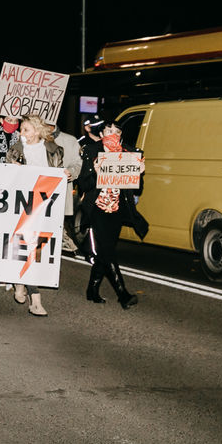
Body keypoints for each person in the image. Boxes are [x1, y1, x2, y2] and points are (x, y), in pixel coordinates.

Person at [4, 113, 68, 317]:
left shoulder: (54, 151)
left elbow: (58, 174)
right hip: (22, 206)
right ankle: (36, 300)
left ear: (37, 130)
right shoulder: (14, 152)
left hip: (46, 207)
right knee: (27, 248)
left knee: (37, 251)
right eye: (21, 129)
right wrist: (11, 169)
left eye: (25, 129)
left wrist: (66, 174)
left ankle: (19, 281)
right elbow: (6, 179)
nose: (21, 133)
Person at [79, 118, 146, 309]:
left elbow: (136, 188)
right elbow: (84, 184)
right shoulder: (92, 151)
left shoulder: (129, 153)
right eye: (108, 131)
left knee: (105, 251)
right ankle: (122, 294)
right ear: (101, 135)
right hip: (98, 208)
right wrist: (96, 174)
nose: (113, 135)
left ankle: (92, 290)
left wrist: (139, 173)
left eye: (116, 132)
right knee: (107, 250)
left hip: (117, 209)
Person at [45, 119, 84, 256]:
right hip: (37, 194)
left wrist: (71, 172)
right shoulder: (32, 137)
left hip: (60, 192)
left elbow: (78, 163)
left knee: (55, 227)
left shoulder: (69, 140)